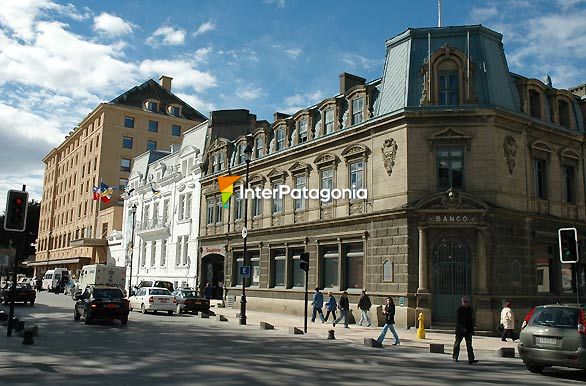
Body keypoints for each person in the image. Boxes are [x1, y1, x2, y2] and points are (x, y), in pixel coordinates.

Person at [453, 296, 478, 364]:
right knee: (457, 344)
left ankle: (471, 359)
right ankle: (455, 357)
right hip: (460, 331)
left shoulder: (470, 309)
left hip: (468, 330)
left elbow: (470, 321)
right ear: (462, 302)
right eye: (465, 302)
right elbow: (458, 321)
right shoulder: (460, 309)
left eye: (467, 302)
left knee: (469, 345)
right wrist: (462, 328)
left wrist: (472, 330)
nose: (466, 303)